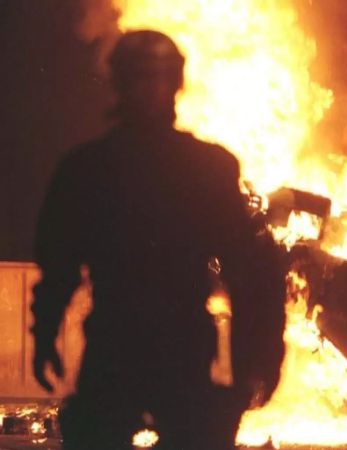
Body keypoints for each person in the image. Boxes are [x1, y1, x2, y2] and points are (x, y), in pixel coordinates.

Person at [30, 30, 286, 450]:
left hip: (177, 350)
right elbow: (58, 265)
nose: (150, 90)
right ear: (120, 84)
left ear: (176, 85)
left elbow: (250, 271)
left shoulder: (205, 168)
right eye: (140, 78)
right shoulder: (88, 170)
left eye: (158, 78)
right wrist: (43, 335)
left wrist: (255, 359)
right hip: (120, 348)